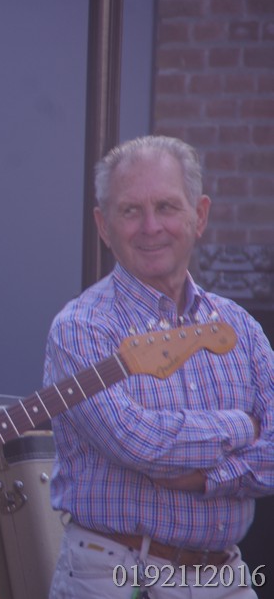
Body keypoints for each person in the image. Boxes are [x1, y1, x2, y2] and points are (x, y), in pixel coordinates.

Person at [44, 135, 274, 598]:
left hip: (225, 576)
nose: (151, 227)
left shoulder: (241, 328)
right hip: (116, 574)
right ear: (103, 226)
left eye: (167, 207)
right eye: (131, 210)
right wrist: (242, 427)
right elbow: (139, 443)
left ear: (199, 216)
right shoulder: (81, 328)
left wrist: (210, 479)